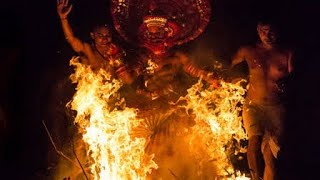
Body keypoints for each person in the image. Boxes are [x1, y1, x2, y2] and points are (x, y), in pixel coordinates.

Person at [231, 20, 294, 180]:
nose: (267, 35)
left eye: (271, 31)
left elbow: (295, 77)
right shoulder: (248, 50)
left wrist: (287, 83)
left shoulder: (287, 53)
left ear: (278, 31)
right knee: (254, 142)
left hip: (276, 107)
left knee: (271, 157)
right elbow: (227, 64)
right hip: (253, 105)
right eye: (264, 31)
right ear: (258, 30)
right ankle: (254, 178)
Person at [57, 0, 133, 84]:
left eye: (107, 36)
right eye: (100, 36)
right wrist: (63, 18)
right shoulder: (87, 50)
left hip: (109, 93)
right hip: (90, 92)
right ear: (93, 36)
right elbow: (71, 39)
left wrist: (118, 62)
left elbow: (128, 81)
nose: (104, 39)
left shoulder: (115, 51)